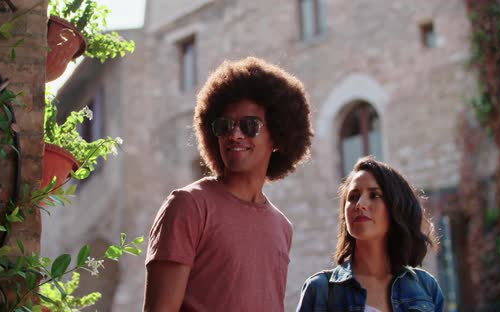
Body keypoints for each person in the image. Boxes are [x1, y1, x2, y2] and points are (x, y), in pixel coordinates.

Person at [143, 57, 314, 312]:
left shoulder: (282, 227)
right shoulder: (188, 206)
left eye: (249, 125)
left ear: (278, 136)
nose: (235, 134)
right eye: (225, 126)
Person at [296, 156, 444, 312]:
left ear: (395, 208)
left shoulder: (426, 288)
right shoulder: (320, 290)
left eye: (374, 195)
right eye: (353, 197)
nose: (359, 205)